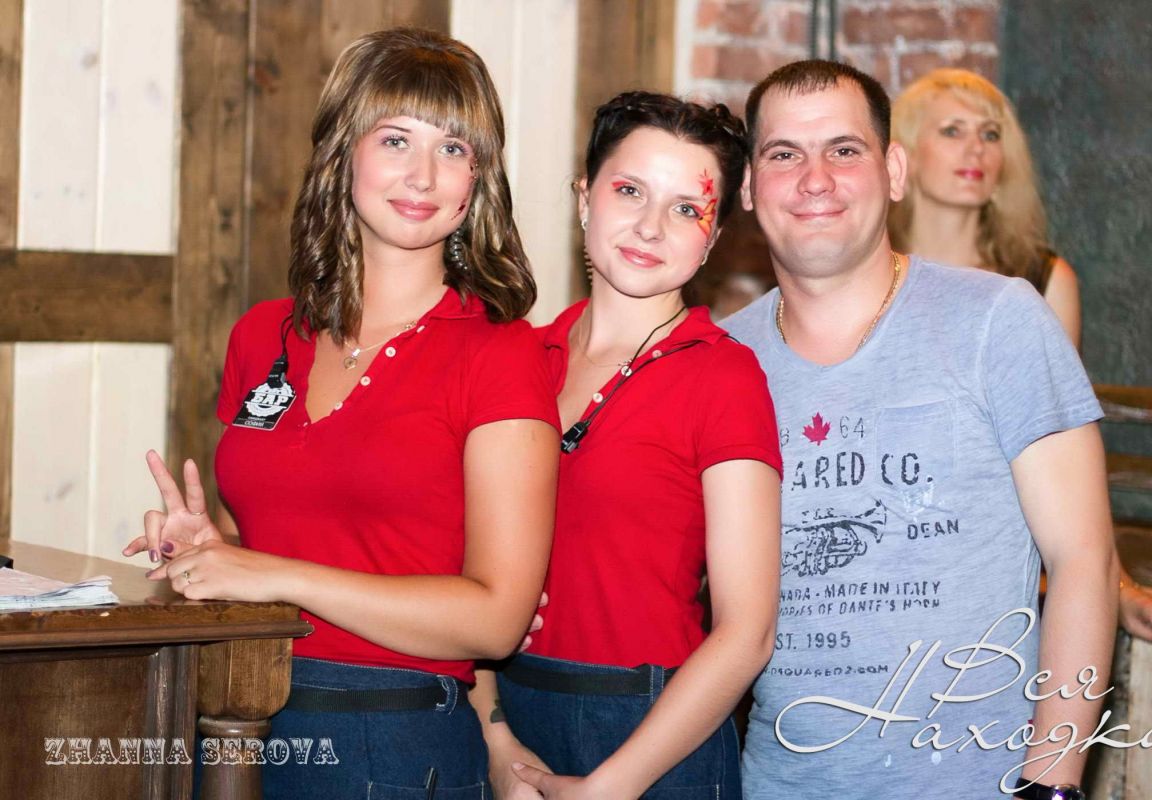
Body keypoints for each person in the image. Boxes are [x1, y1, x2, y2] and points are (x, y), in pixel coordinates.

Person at [123, 28, 559, 799]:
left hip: (390, 739)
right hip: (229, 710)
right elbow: (301, 542)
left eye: (453, 148)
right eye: (395, 139)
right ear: (342, 152)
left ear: (477, 180)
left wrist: (267, 573)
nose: (423, 174)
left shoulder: (498, 352)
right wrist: (214, 552)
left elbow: (496, 618)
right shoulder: (263, 334)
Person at [723, 60, 1118, 798]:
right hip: (778, 782)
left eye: (844, 149)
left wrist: (1053, 783)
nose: (815, 179)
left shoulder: (999, 319)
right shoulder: (719, 361)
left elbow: (1083, 560)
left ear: (893, 171)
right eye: (784, 154)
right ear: (748, 186)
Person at [469, 92, 783, 800]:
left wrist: (614, 784)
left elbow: (748, 632)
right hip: (504, 720)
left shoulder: (724, 376)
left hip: (654, 731)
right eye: (630, 190)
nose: (650, 226)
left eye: (686, 208)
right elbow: (458, 571)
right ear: (585, 198)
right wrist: (496, 741)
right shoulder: (516, 359)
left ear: (713, 236)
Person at [890, 67, 1152, 663]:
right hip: (889, 554)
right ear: (903, 153)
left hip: (1000, 568)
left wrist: (1118, 587)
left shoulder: (1042, 280)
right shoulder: (870, 276)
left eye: (990, 134)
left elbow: (1064, 454)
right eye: (952, 130)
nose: (976, 149)